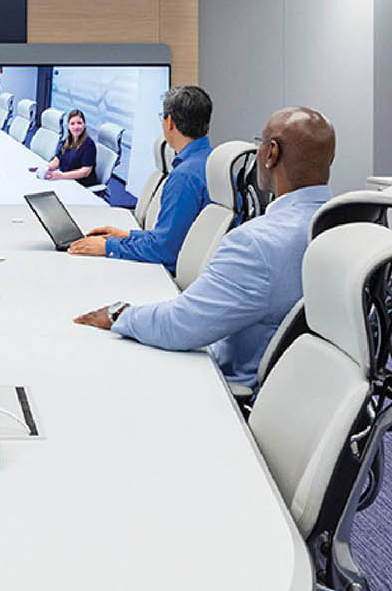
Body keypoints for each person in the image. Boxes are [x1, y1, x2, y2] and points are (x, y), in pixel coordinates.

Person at [72, 106, 336, 389]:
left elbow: (179, 325)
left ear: (271, 153)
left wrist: (118, 314)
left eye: (260, 143)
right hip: (301, 392)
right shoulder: (345, 229)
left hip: (226, 387)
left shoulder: (256, 242)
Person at [66, 86, 214, 273]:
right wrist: (127, 235)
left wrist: (108, 247)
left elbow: (165, 249)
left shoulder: (184, 177)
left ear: (169, 122)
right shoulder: (212, 162)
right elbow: (175, 235)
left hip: (169, 278)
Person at [30, 108, 100, 188]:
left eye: (79, 123)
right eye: (72, 124)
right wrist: (47, 168)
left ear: (84, 125)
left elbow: (85, 172)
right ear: (68, 126)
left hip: (80, 185)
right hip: (66, 180)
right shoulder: (67, 141)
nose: (76, 127)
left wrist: (61, 176)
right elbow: (57, 159)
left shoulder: (88, 145)